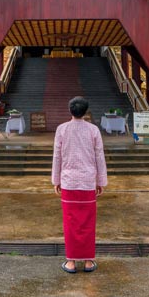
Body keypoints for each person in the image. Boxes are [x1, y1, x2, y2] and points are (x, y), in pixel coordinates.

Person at [51, 96, 107, 274]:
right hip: (88, 181)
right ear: (85, 111)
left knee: (70, 222)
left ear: (70, 110)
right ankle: (89, 260)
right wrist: (101, 180)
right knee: (88, 222)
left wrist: (56, 180)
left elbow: (57, 156)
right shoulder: (93, 130)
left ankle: (71, 261)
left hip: (69, 181)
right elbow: (99, 156)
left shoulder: (62, 129)